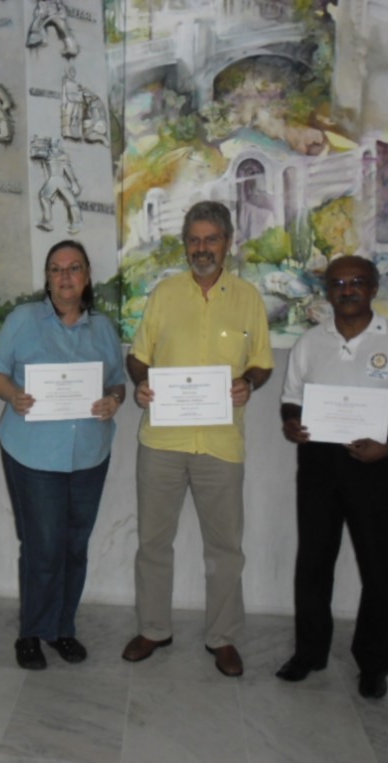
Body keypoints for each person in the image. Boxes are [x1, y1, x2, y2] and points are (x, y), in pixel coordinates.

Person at [276, 255, 388, 700]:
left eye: (357, 282)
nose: (347, 290)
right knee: (313, 561)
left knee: (378, 566)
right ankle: (309, 653)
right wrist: (291, 422)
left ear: (373, 288)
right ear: (327, 291)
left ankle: (374, 664)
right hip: (319, 460)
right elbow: (291, 398)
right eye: (338, 283)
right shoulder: (310, 342)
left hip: (376, 460)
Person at [123, 200, 273, 677]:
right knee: (153, 543)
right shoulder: (164, 294)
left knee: (225, 549)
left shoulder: (248, 298)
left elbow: (262, 362)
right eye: (193, 240)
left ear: (227, 243)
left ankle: (222, 637)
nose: (201, 248)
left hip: (221, 444)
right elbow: (138, 356)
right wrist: (141, 383)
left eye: (210, 239)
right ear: (184, 244)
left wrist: (248, 383)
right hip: (162, 443)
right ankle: (153, 629)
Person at [0, 240, 125, 670]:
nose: (65, 277)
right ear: (47, 278)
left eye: (74, 268)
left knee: (75, 546)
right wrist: (14, 395)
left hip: (89, 455)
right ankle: (31, 633)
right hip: (33, 455)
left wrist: (114, 400)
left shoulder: (103, 329)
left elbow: (117, 381)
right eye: (56, 269)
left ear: (87, 277)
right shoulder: (23, 320)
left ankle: (63, 629)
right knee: (43, 548)